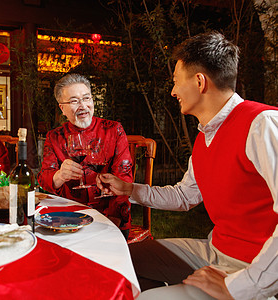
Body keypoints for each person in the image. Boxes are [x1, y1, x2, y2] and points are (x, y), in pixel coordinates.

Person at [97, 31, 278, 299]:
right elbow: (185, 196)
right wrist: (128, 189)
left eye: (175, 81)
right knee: (122, 260)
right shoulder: (206, 135)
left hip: (252, 267)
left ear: (199, 81)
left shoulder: (262, 124)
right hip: (214, 251)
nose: (172, 91)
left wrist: (237, 286)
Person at [37, 73, 133, 236]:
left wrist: (112, 222)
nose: (83, 106)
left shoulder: (113, 130)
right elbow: (45, 179)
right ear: (62, 108)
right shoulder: (55, 136)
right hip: (68, 218)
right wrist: (59, 176)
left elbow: (124, 178)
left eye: (86, 98)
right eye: (74, 101)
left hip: (109, 217)